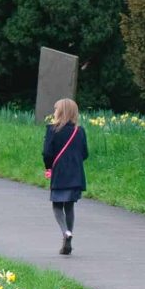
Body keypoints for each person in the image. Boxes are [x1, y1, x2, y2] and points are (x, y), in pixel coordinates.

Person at [42, 98, 88, 256]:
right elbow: (85, 153)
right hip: (76, 174)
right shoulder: (79, 131)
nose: (54, 112)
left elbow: (47, 152)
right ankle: (68, 236)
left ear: (60, 112)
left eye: (55, 109)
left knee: (56, 205)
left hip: (60, 172)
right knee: (69, 206)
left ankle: (65, 232)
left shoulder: (52, 130)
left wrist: (49, 167)